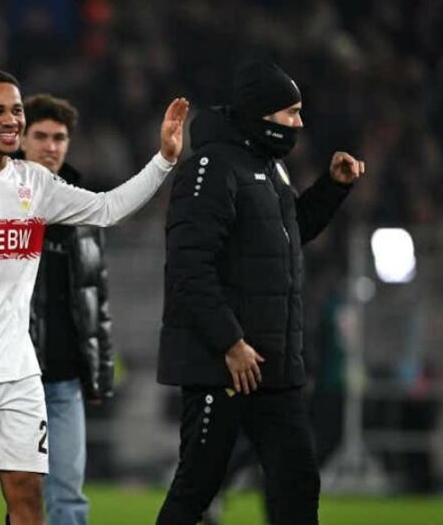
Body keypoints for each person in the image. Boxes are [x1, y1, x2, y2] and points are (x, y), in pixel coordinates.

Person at [0, 70, 188, 525]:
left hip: (18, 370)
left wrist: (163, 160)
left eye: (16, 110)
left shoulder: (34, 183)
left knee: (28, 500)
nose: (11, 120)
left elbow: (107, 209)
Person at [156, 61, 365, 525]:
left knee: (297, 482)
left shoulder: (269, 169)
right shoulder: (210, 169)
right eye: (291, 113)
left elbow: (287, 233)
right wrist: (230, 342)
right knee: (198, 487)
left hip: (271, 363)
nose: (299, 123)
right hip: (223, 364)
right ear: (262, 114)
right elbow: (190, 268)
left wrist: (332, 188)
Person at [0, 93, 113, 525]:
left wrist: (99, 368)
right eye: (40, 135)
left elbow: (95, 293)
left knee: (67, 495)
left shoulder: (83, 208)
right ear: (21, 141)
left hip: (62, 379)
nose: (51, 146)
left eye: (60, 137)